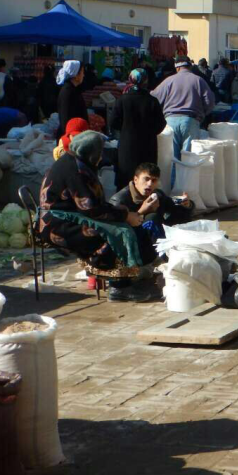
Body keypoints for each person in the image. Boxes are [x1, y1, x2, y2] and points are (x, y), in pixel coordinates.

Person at [38, 131, 158, 302]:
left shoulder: (74, 161)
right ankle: (119, 288)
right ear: (91, 153)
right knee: (117, 233)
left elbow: (91, 206)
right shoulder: (76, 171)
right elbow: (91, 209)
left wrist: (122, 213)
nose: (101, 157)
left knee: (119, 227)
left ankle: (126, 279)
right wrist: (124, 215)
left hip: (69, 217)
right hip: (57, 225)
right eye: (99, 153)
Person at [108, 68, 168, 190]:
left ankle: (126, 205)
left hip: (127, 145)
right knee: (146, 177)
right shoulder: (152, 101)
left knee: (126, 179)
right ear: (145, 81)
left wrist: (125, 129)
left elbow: (113, 122)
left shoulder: (122, 100)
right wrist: (150, 132)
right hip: (148, 145)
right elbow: (161, 123)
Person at [151, 58, 216, 162]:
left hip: (170, 121)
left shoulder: (169, 80)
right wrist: (203, 114)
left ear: (177, 68)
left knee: (173, 159)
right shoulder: (198, 80)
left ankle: (174, 179)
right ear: (190, 67)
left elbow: (154, 98)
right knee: (188, 160)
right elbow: (210, 102)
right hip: (191, 121)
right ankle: (186, 179)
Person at [109, 162, 194, 229]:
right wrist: (142, 212)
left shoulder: (157, 194)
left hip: (158, 240)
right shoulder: (119, 200)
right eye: (146, 179)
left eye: (154, 180)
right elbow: (117, 230)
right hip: (135, 242)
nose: (149, 184)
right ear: (136, 179)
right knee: (152, 217)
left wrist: (187, 205)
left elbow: (176, 212)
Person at [56, 60, 88, 139]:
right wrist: (68, 138)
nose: (83, 75)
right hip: (70, 138)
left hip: (74, 136)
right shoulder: (67, 91)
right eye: (82, 72)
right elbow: (65, 118)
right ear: (76, 75)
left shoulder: (73, 89)